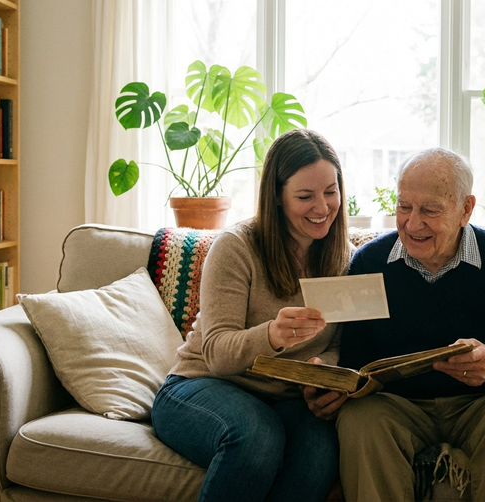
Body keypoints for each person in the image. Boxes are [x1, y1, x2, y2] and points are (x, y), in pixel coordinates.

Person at [328, 147, 485, 502]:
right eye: (404, 206)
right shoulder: (369, 262)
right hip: (397, 406)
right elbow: (355, 361)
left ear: (466, 209)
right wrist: (336, 385)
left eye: (430, 210)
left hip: (482, 405)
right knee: (359, 419)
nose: (412, 223)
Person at [151, 128, 352, 502]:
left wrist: (321, 375)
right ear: (276, 196)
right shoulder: (236, 247)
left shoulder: (344, 259)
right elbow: (216, 354)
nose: (323, 207)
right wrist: (272, 335)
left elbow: (337, 345)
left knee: (320, 451)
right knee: (258, 436)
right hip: (200, 385)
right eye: (305, 196)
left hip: (286, 400)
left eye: (331, 191)